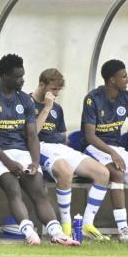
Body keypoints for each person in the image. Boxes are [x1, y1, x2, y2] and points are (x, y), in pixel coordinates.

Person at [0, 54, 78, 246]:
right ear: (4, 76)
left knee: (39, 190)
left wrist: (35, 161)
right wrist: (8, 162)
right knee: (13, 188)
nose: (22, 80)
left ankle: (57, 233)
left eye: (23, 75)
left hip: (22, 153)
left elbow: (32, 136)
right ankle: (29, 233)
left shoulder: (25, 100)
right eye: (17, 76)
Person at [81, 59, 128, 243]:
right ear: (112, 80)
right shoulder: (93, 98)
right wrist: (112, 153)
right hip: (96, 147)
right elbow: (90, 136)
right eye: (123, 76)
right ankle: (122, 229)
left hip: (117, 148)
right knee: (116, 172)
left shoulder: (127, 98)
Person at [31, 68, 111, 240]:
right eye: (53, 89)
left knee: (103, 173)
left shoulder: (57, 109)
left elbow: (64, 135)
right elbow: (31, 134)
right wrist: (46, 108)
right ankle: (66, 226)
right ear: (41, 85)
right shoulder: (26, 103)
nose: (55, 94)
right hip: (40, 146)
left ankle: (87, 224)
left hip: (60, 147)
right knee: (65, 171)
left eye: (58, 91)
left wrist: (61, 139)